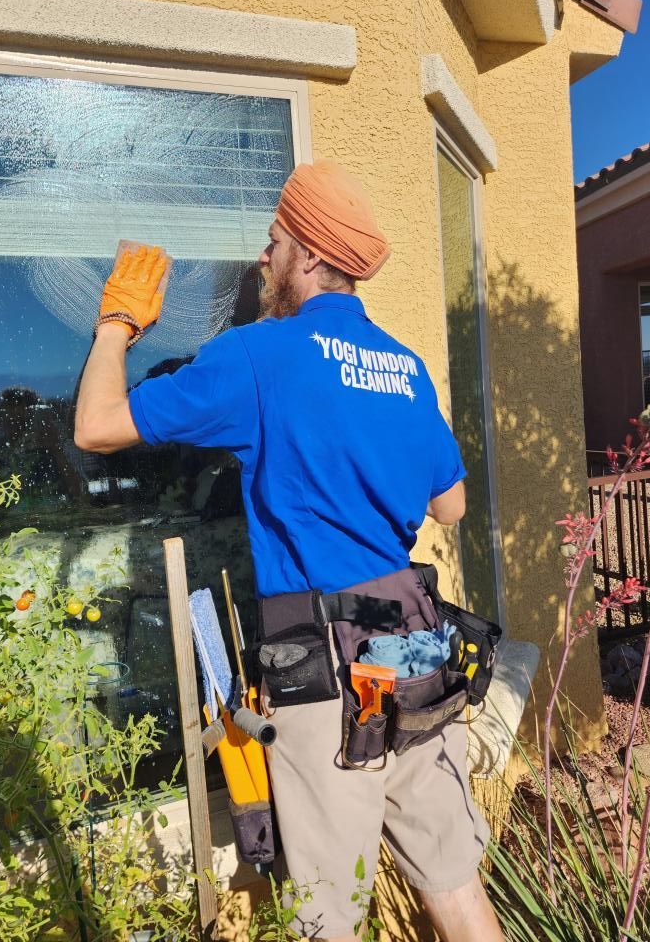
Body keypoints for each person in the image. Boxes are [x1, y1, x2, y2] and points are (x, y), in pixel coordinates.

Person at [74, 160, 504, 942]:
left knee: (325, 920)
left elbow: (96, 426)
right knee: (455, 887)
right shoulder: (403, 367)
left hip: (328, 664)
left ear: (307, 254)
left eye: (273, 242)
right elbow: (453, 503)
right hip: (413, 647)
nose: (263, 259)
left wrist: (119, 322)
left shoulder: (258, 357)